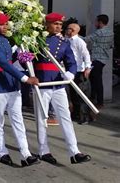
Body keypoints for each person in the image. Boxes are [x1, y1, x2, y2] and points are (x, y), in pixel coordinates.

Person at [33, 12, 91, 165]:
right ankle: (43, 150)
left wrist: (71, 73)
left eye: (60, 24)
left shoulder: (64, 42)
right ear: (47, 25)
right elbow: (29, 59)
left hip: (58, 83)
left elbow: (71, 61)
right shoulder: (36, 39)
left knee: (65, 116)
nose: (59, 27)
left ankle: (74, 152)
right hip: (42, 81)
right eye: (55, 24)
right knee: (42, 117)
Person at [0, 13, 40, 167]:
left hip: (12, 85)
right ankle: (2, 152)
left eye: (6, 24)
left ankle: (26, 154)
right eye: (2, 25)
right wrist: (25, 79)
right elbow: (3, 63)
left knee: (18, 120)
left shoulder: (6, 40)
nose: (6, 27)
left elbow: (12, 60)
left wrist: (24, 57)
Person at [84, 14, 114, 110]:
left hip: (96, 59)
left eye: (96, 21)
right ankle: (93, 99)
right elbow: (111, 46)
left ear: (100, 22)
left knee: (96, 81)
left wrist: (74, 35)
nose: (95, 23)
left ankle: (99, 101)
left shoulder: (99, 33)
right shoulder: (111, 32)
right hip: (103, 59)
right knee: (94, 79)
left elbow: (86, 39)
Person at [66, 23, 92, 124]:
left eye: (68, 29)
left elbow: (86, 55)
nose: (66, 30)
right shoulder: (67, 40)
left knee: (82, 94)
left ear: (73, 30)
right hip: (71, 71)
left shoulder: (79, 41)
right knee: (73, 94)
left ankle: (85, 117)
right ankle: (76, 114)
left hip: (79, 70)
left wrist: (87, 67)